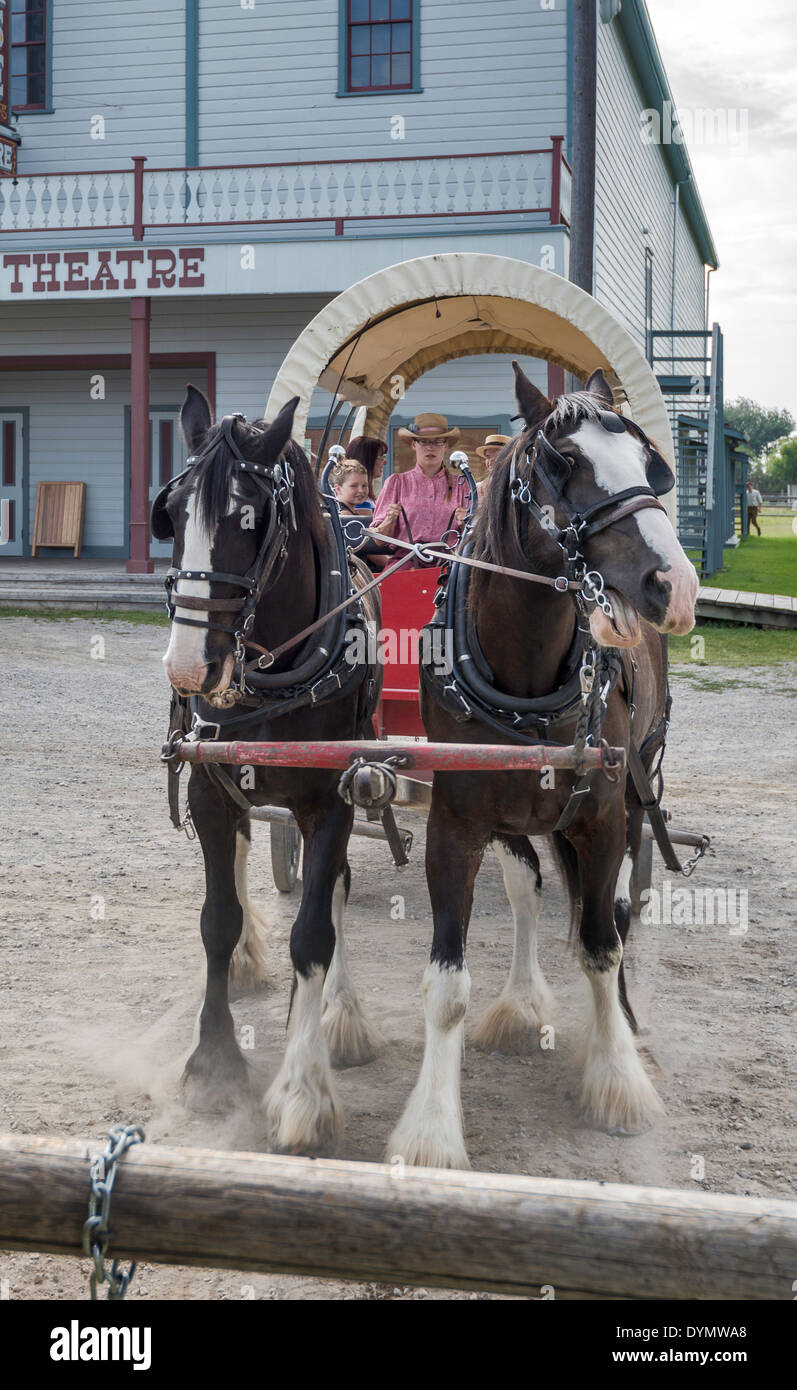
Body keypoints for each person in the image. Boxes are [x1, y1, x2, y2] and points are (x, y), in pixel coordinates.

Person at [371, 413, 469, 555]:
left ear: (446, 445)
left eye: (438, 442)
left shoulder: (462, 485)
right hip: (407, 559)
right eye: (424, 442)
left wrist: (466, 524)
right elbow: (378, 540)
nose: (430, 448)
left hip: (450, 561)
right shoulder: (396, 482)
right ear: (413, 444)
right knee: (390, 578)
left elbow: (479, 537)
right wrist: (389, 520)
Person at [330, 458, 392, 570]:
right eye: (354, 486)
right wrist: (395, 564)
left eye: (364, 485)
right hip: (356, 576)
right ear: (338, 489)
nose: (361, 490)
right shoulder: (345, 516)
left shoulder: (347, 511)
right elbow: (371, 553)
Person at [345, 435, 388, 511]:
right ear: (368, 459)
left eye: (364, 486)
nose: (385, 462)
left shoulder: (364, 498)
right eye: (381, 457)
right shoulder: (359, 500)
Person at [475, 433, 512, 497]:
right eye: (488, 457)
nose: (491, 460)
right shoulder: (478, 488)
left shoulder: (515, 487)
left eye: (497, 456)